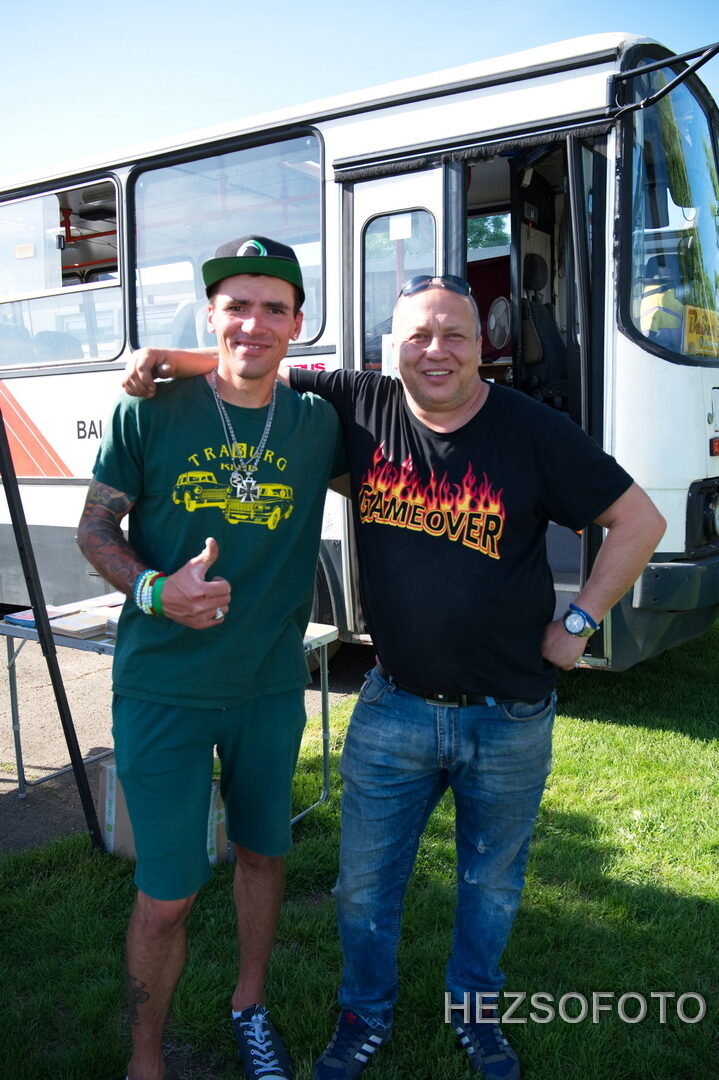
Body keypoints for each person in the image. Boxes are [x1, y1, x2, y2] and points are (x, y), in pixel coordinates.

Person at [125, 274, 665, 1080]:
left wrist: (579, 623)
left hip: (509, 715)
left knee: (490, 888)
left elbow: (638, 520)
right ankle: (363, 1015)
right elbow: (256, 359)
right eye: (417, 336)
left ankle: (476, 1015)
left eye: (454, 335)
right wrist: (168, 357)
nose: (435, 351)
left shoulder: (531, 430)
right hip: (394, 707)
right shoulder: (360, 402)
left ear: (481, 346)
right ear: (390, 349)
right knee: (362, 890)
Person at [77, 235, 345, 1080]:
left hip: (268, 685)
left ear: (297, 323)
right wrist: (153, 589)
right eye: (236, 307)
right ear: (210, 314)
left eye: (273, 308)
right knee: (166, 897)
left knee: (264, 853)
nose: (253, 323)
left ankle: (248, 1005)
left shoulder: (317, 422)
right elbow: (95, 525)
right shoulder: (149, 411)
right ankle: (146, 1060)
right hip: (164, 688)